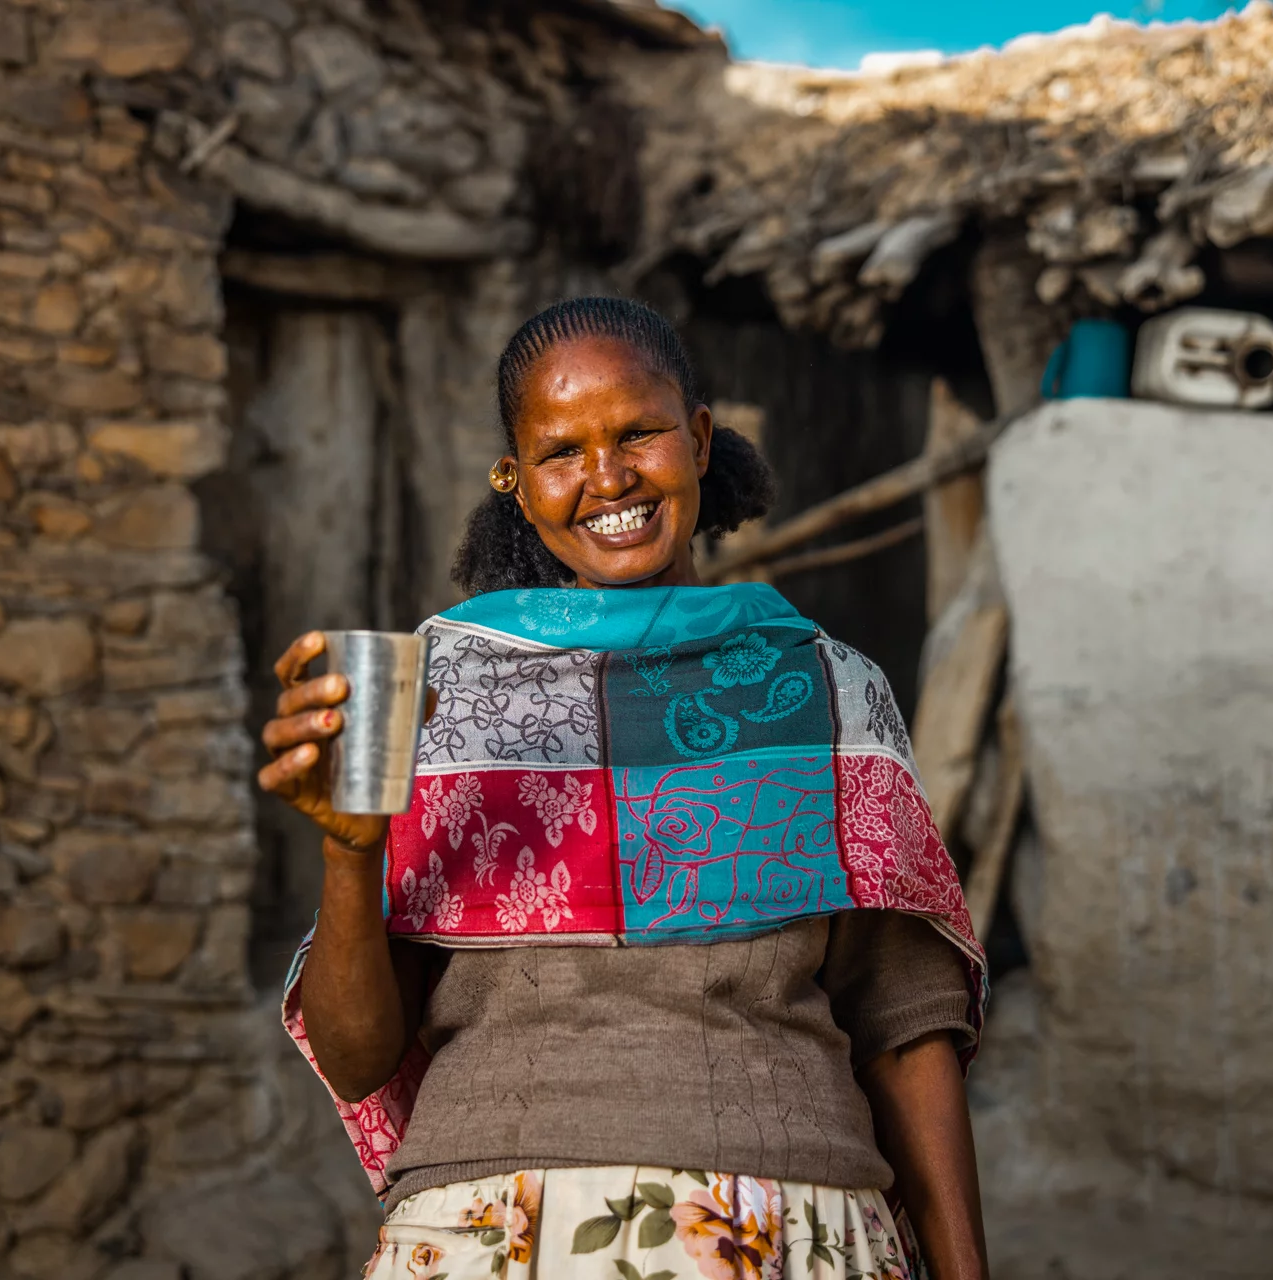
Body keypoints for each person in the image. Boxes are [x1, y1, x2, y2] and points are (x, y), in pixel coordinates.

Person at [259, 297, 991, 1280]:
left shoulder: (823, 687)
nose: (608, 478)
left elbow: (904, 1029)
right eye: (563, 451)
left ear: (697, 437)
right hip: (497, 1229)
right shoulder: (436, 698)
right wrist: (350, 850)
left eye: (639, 432)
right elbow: (359, 1056)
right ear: (516, 484)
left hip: (788, 1223)